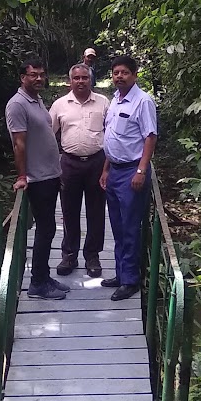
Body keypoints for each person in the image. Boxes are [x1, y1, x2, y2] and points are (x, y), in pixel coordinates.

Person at [4, 58, 68, 300]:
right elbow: (18, 144)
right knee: (45, 228)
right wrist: (22, 175)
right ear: (23, 77)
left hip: (50, 174)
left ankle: (44, 275)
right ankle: (37, 284)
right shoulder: (17, 105)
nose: (39, 78)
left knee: (48, 228)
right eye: (33, 75)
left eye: (41, 74)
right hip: (37, 178)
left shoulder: (37, 100)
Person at [99, 55, 156, 302]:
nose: (119, 76)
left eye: (124, 72)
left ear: (134, 75)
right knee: (118, 227)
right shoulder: (115, 100)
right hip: (114, 170)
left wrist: (141, 171)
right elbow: (112, 138)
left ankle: (131, 280)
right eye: (115, 73)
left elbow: (150, 137)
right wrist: (105, 169)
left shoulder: (143, 101)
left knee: (131, 228)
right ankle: (121, 274)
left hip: (132, 171)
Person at [49, 63, 108, 277]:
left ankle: (92, 256)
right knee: (69, 211)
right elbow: (49, 134)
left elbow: (112, 134)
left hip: (97, 162)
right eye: (77, 78)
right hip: (69, 163)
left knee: (96, 211)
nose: (81, 81)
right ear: (70, 81)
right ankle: (69, 255)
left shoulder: (103, 103)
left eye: (84, 78)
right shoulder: (59, 105)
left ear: (91, 79)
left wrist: (107, 168)